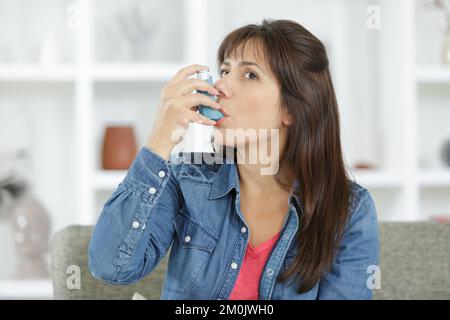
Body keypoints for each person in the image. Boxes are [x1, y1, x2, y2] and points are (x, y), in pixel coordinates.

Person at [88, 19, 379, 300]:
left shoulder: (349, 210)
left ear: (290, 110)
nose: (221, 86)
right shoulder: (188, 178)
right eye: (224, 70)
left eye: (249, 75)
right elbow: (110, 267)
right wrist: (160, 141)